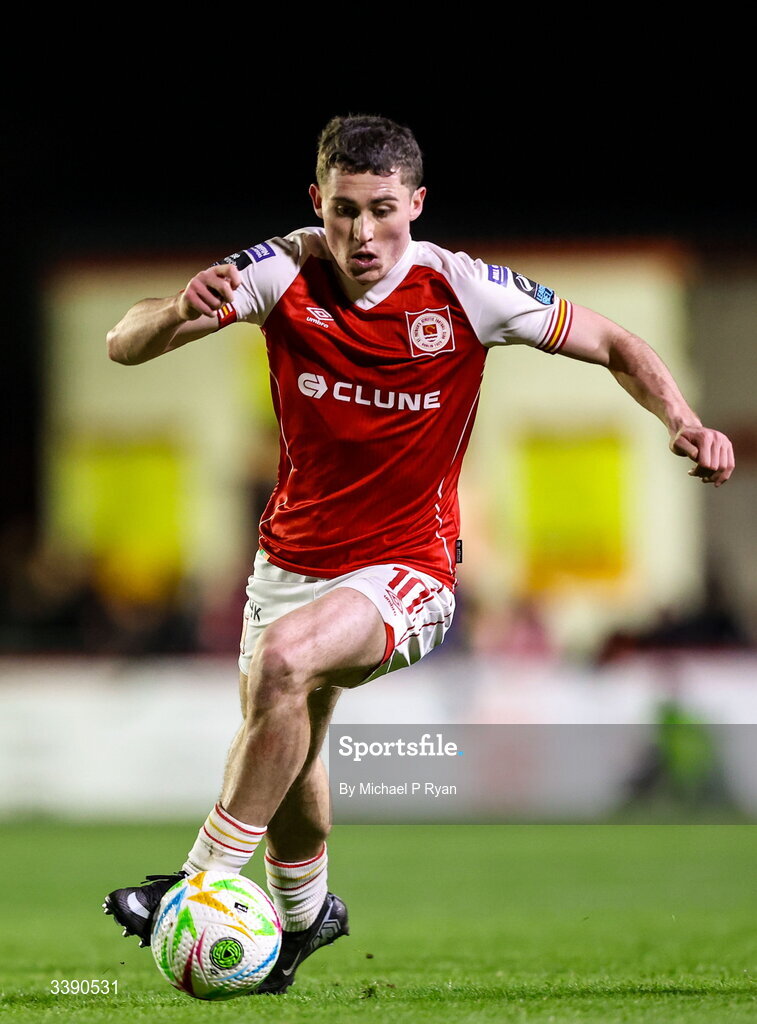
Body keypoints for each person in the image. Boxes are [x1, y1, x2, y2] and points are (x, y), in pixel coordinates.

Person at [102, 114, 735, 993]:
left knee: (286, 666)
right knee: (285, 741)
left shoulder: (463, 290)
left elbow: (616, 343)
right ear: (315, 201)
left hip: (411, 568)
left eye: (384, 211)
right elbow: (120, 344)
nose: (363, 235)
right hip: (288, 563)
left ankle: (198, 880)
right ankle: (303, 918)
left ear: (417, 203)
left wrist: (683, 419)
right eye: (345, 211)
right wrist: (175, 310)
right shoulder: (278, 269)